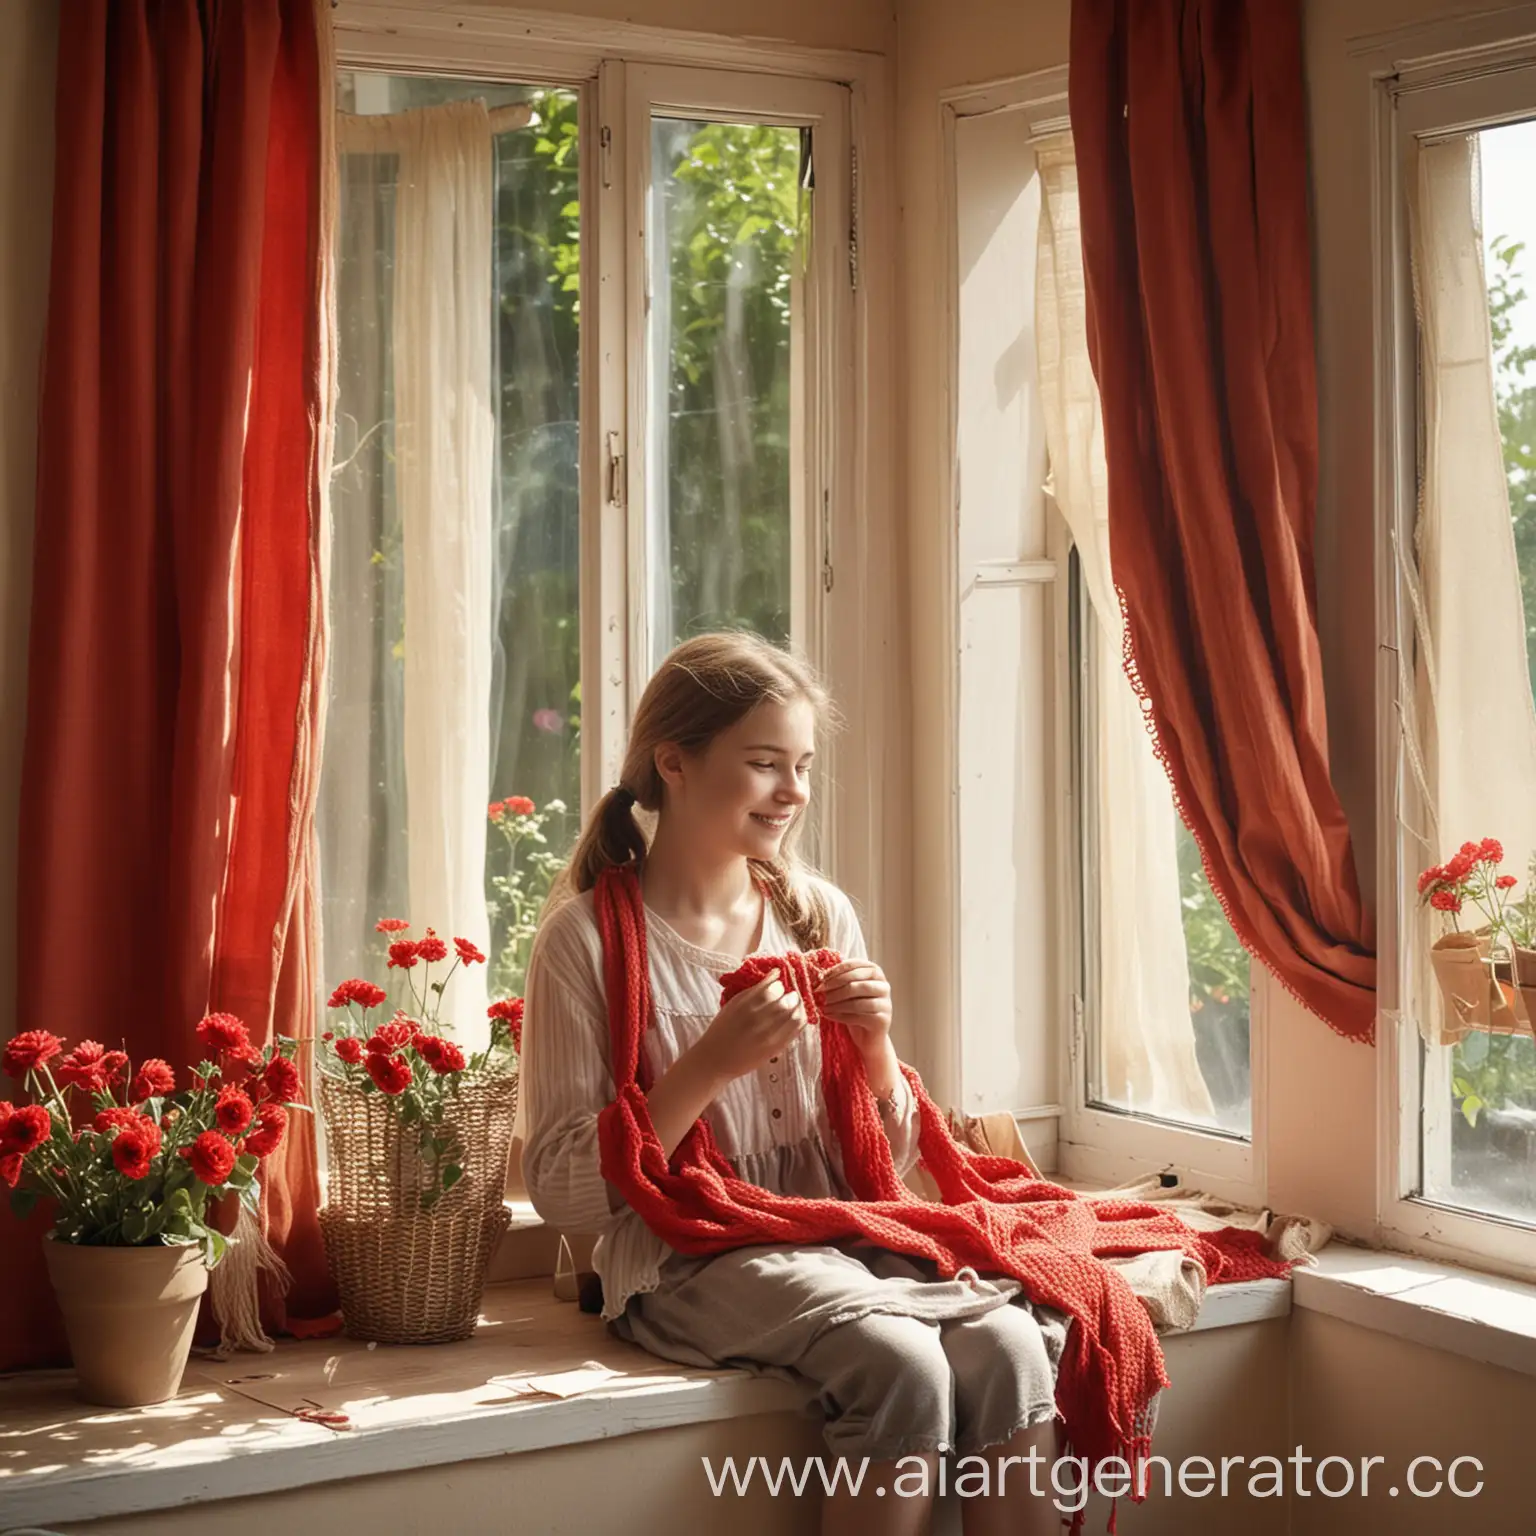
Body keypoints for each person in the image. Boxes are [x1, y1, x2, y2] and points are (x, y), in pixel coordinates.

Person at [519, 631, 1066, 1535]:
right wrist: (707, 1067)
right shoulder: (587, 942)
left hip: (836, 1229)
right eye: (766, 763)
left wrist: (876, 1047)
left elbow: (883, 1162)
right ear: (675, 763)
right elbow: (566, 1191)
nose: (794, 792)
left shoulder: (814, 913)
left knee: (1009, 1346)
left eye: (803, 765)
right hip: (686, 1255)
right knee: (902, 1363)